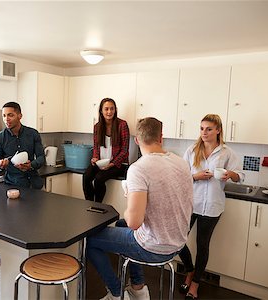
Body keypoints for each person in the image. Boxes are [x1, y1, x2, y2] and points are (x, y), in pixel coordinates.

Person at [87, 117, 193, 300]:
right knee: (120, 225)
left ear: (137, 139)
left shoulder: (139, 168)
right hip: (178, 244)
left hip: (153, 247)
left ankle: (116, 293)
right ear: (161, 137)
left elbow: (134, 222)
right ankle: (138, 287)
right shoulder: (181, 163)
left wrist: (129, 199)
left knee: (89, 239)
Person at [179, 114, 244, 300]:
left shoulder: (226, 152)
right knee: (178, 240)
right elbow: (182, 176)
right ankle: (189, 271)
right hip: (191, 203)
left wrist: (230, 173)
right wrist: (195, 176)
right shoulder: (192, 150)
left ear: (218, 130)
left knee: (202, 246)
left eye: (208, 129)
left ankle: (196, 284)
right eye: (201, 128)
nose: (204, 132)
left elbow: (240, 176)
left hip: (213, 207)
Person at [0, 101, 45, 189]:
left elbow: (41, 157)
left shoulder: (33, 134)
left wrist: (31, 165)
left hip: (35, 185)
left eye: (10, 115)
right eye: (4, 116)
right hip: (14, 186)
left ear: (20, 116)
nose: (6, 119)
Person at [83, 98, 130, 202]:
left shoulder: (122, 125)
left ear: (115, 110)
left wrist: (112, 164)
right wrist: (95, 158)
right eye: (106, 109)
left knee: (99, 179)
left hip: (118, 164)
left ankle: (98, 206)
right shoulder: (97, 127)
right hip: (101, 162)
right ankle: (89, 205)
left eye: (112, 109)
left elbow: (125, 150)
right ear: (101, 111)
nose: (109, 112)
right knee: (86, 177)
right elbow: (96, 146)